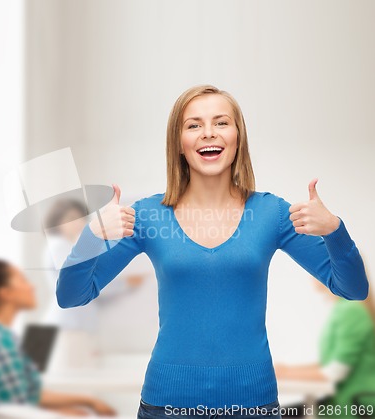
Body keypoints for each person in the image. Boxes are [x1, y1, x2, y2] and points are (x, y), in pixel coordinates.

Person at [55, 84, 369, 419]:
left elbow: (352, 288)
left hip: (253, 406)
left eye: (221, 123)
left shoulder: (272, 214)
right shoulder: (147, 216)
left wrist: (335, 230)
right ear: (179, 142)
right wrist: (91, 236)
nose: (208, 133)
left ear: (238, 137)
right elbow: (71, 295)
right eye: (193, 125)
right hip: (166, 404)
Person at [0, 258, 117, 416]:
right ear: (5, 293)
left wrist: (86, 401)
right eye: (22, 280)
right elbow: (14, 410)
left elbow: (24, 395)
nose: (32, 287)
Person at [42, 198, 145, 372]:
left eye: (81, 217)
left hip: (71, 329)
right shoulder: (59, 245)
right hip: (68, 329)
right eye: (72, 217)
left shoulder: (67, 247)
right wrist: (126, 283)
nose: (79, 223)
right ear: (57, 221)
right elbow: (80, 283)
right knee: (72, 386)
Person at [275, 271, 375, 419]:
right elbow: (330, 364)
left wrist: (285, 374)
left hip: (354, 407)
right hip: (341, 404)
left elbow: (334, 373)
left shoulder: (351, 310)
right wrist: (286, 370)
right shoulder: (344, 308)